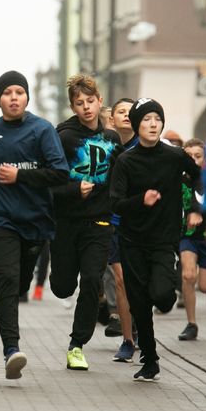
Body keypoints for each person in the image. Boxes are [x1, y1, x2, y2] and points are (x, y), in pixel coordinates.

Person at [0, 70, 68, 380]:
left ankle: (2, 285)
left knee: (19, 284)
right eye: (7, 93)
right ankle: (12, 349)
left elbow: (60, 173)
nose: (13, 97)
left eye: (19, 92)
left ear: (26, 97)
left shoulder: (42, 130)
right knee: (9, 280)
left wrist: (20, 176)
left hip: (35, 219)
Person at [110, 98, 201, 382]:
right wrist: (141, 200)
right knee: (139, 304)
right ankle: (150, 359)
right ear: (137, 125)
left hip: (163, 240)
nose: (153, 124)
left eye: (157, 119)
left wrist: (196, 208)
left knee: (161, 296)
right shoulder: (126, 161)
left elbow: (198, 177)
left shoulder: (174, 156)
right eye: (147, 120)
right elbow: (115, 202)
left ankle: (158, 296)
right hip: (132, 240)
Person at [49, 74, 121, 371]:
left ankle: (76, 345)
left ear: (100, 101)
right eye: (80, 103)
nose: (86, 108)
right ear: (72, 106)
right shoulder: (63, 137)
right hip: (66, 221)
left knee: (91, 279)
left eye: (90, 101)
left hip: (99, 222)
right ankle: (67, 285)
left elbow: (119, 180)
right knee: (63, 287)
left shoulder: (112, 139)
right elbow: (49, 182)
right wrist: (72, 190)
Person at [106, 98, 139, 362]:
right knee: (121, 279)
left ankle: (140, 326)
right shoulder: (106, 148)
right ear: (111, 119)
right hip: (115, 223)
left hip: (144, 225)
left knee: (142, 283)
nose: (126, 116)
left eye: (131, 112)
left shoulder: (148, 147)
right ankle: (127, 340)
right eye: (121, 112)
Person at [178, 138, 206, 341]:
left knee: (203, 286)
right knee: (187, 276)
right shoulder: (177, 178)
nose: (193, 160)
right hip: (187, 236)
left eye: (198, 156)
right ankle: (191, 323)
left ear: (205, 158)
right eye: (189, 156)